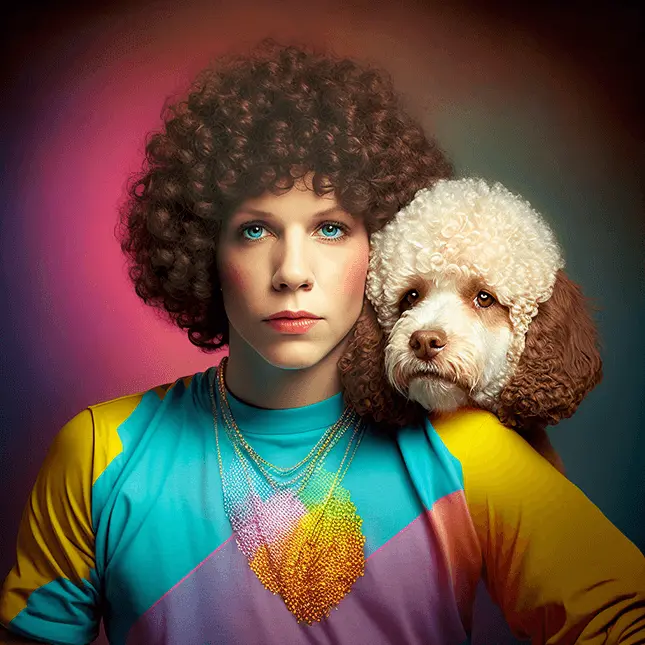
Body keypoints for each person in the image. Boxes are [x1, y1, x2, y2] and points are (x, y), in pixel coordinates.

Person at [1, 41, 644, 645]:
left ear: (382, 247)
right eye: (255, 230)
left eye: (331, 229)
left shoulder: (463, 451)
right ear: (202, 250)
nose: (292, 271)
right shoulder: (99, 454)